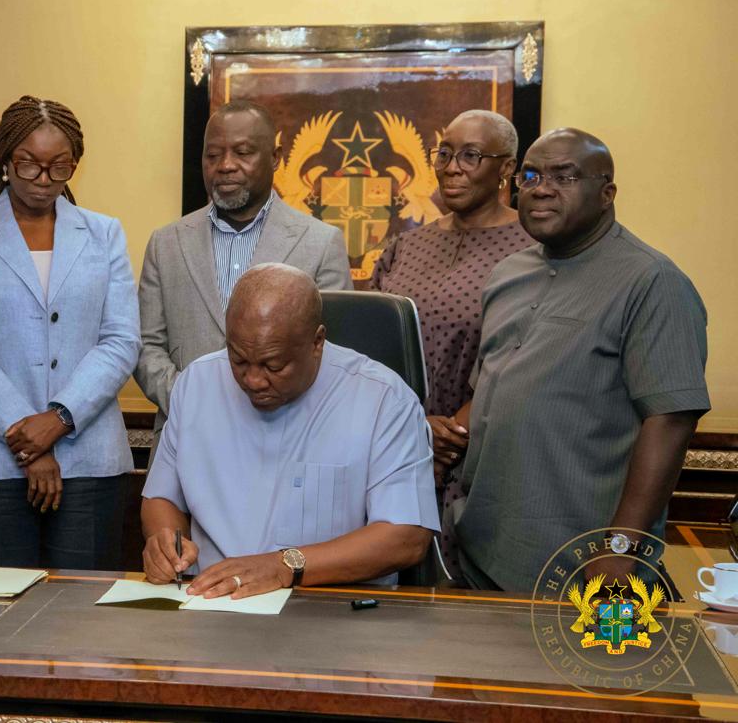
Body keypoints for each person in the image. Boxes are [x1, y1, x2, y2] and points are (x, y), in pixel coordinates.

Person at [455, 128, 710, 591]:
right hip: (482, 548)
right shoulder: (507, 273)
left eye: (564, 177)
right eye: (530, 176)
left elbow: (671, 420)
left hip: (586, 565)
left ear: (607, 194)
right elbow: (495, 385)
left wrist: (620, 550)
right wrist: (445, 433)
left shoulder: (653, 281)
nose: (541, 189)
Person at [141, 263, 438, 597]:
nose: (253, 380)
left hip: (330, 606)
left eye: (273, 365)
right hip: (211, 602)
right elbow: (161, 497)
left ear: (317, 342)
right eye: (238, 360)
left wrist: (284, 566)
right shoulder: (196, 384)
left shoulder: (384, 399)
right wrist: (165, 543)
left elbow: (407, 537)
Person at [0, 96, 140, 570]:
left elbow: (121, 340)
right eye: (29, 164)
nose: (44, 179)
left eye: (59, 167)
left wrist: (59, 418)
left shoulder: (104, 234)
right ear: (4, 161)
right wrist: (28, 439)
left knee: (81, 609)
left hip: (89, 460)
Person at [369, 109, 534, 580]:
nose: (452, 167)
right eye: (444, 153)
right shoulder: (406, 247)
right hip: (396, 447)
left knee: (472, 605)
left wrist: (451, 434)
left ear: (507, 168)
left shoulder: (532, 249)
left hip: (486, 456)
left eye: (471, 155)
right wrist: (415, 428)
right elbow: (370, 348)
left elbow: (530, 354)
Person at [135, 100, 351, 440]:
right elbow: (146, 346)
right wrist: (194, 400)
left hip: (287, 436)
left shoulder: (321, 243)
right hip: (187, 434)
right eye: (212, 155)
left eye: (243, 153)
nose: (225, 166)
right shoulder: (166, 243)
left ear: (275, 157)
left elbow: (331, 350)